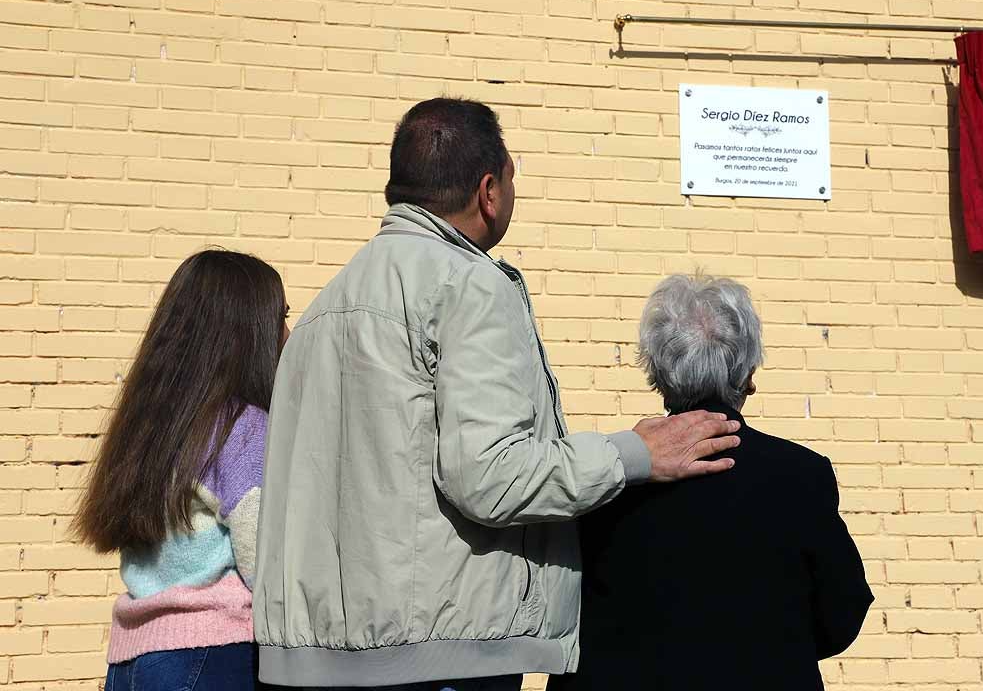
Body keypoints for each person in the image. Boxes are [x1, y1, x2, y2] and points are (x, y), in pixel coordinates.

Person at [254, 98, 741, 690]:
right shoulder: (469, 284)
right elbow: (489, 476)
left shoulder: (323, 308)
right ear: (489, 191)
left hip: (315, 665)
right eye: (513, 179)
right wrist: (636, 453)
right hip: (438, 658)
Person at [547, 274, 874, 691]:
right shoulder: (800, 475)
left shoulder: (606, 473)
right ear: (749, 374)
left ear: (659, 376)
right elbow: (843, 611)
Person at [74, 250, 290, 691]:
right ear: (247, 332)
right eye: (280, 317)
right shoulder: (243, 428)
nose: (288, 333)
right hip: (213, 656)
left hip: (132, 662)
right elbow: (265, 565)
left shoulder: (154, 425)